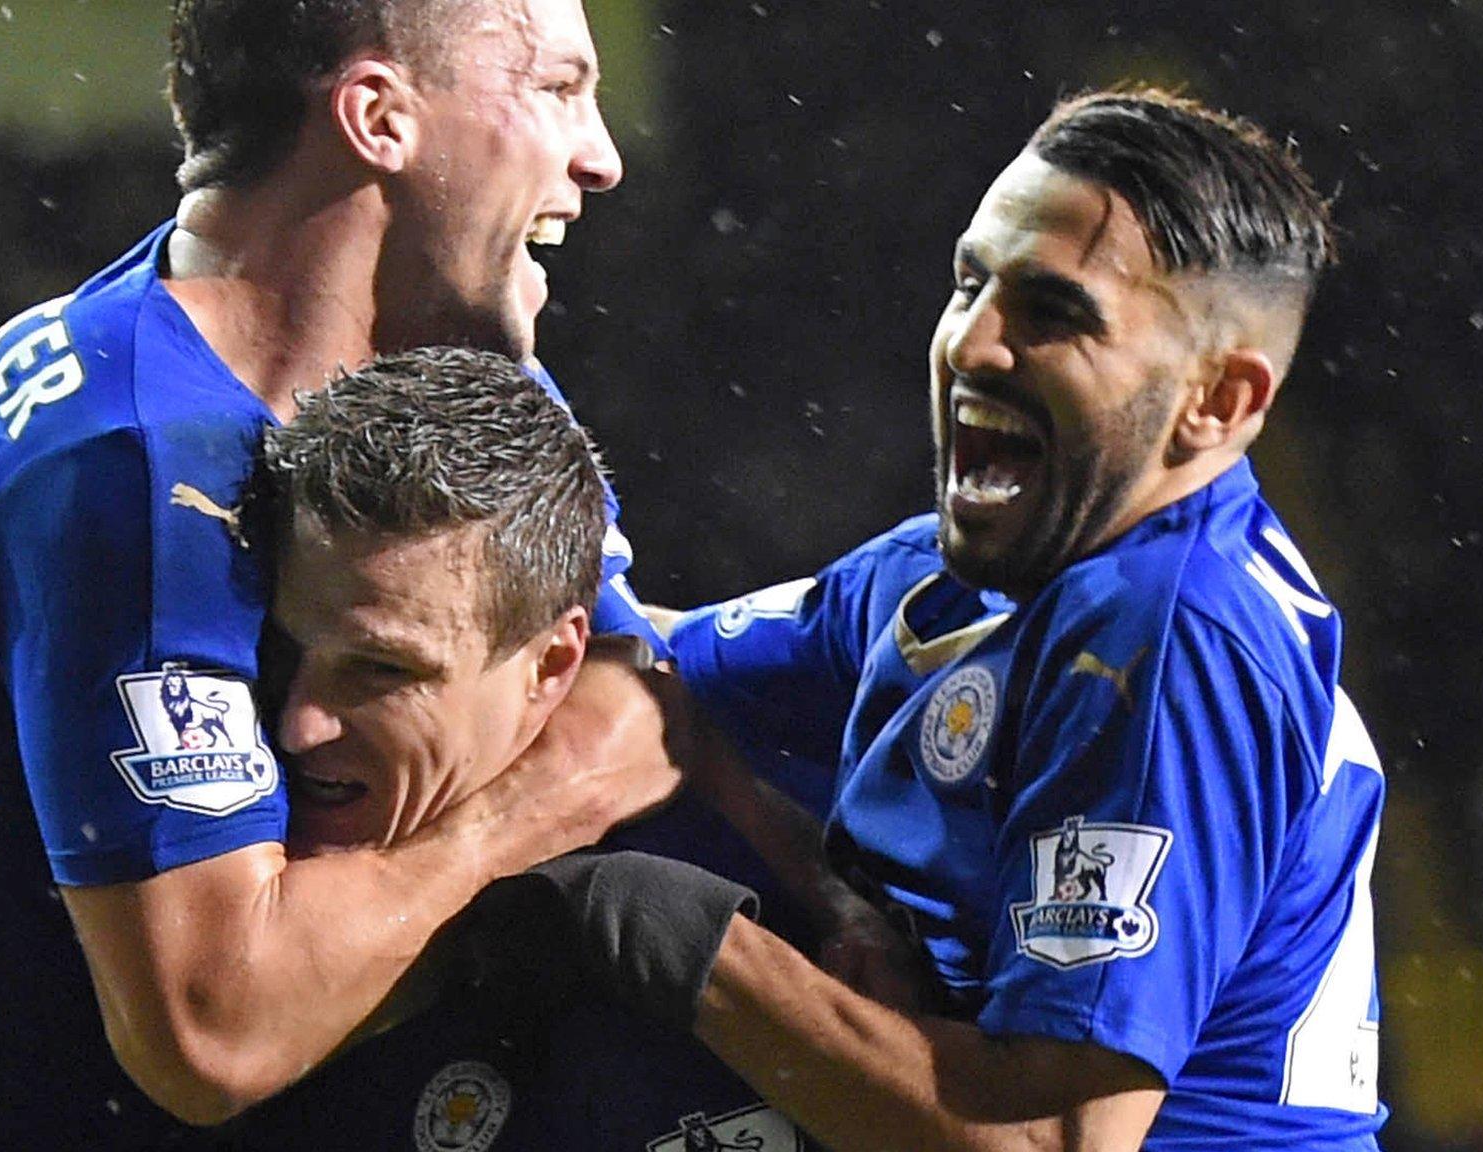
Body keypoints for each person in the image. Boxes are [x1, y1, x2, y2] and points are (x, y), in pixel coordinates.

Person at [0, 1, 683, 1148]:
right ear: (377, 116)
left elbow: (635, 700)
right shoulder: (131, 462)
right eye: (554, 88)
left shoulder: (440, 382)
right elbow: (216, 1033)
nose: (601, 155)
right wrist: (528, 816)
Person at [521, 89, 1389, 1150]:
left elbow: (1047, 1140)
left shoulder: (1167, 640)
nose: (970, 345)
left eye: (1051, 313)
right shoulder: (958, 574)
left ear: (1215, 402)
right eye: (967, 284)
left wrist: (675, 937)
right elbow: (644, 670)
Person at [213, 346, 808, 1151]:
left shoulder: (749, 937)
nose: (298, 726)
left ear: (553, 664)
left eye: (382, 671)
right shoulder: (192, 907)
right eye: (280, 650)